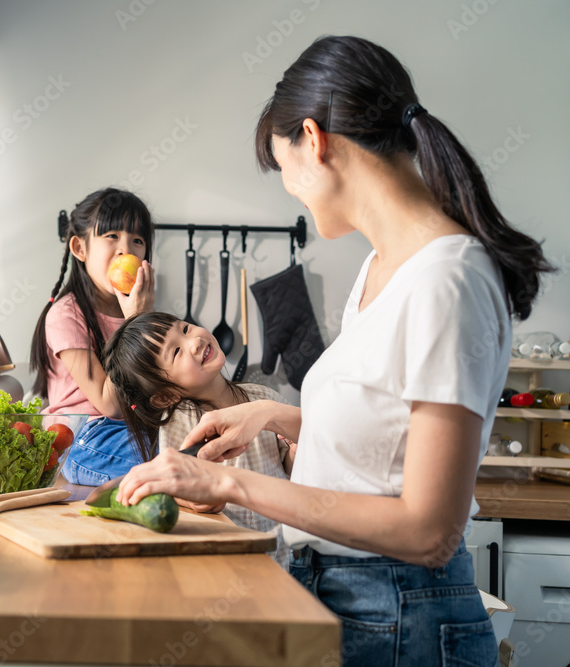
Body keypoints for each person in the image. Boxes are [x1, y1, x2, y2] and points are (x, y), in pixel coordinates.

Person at [114, 36, 551, 667]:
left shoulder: (445, 279)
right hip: (352, 598)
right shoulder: (382, 267)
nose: (290, 188)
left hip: (402, 609)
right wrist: (271, 417)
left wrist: (228, 482)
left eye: (282, 166)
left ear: (314, 141)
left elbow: (428, 530)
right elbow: (383, 445)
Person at [103, 311, 296, 569]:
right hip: (230, 560)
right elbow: (177, 483)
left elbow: (291, 467)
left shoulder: (263, 398)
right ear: (165, 396)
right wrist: (193, 499)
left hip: (286, 555)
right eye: (176, 352)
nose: (194, 341)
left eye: (184, 329)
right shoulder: (181, 422)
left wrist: (296, 449)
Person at [29, 188, 156, 485]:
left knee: (190, 444)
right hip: (81, 438)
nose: (126, 250)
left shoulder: (137, 311)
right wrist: (137, 322)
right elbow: (108, 404)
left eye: (137, 240)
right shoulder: (66, 314)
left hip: (128, 429)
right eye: (111, 235)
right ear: (80, 248)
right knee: (173, 460)